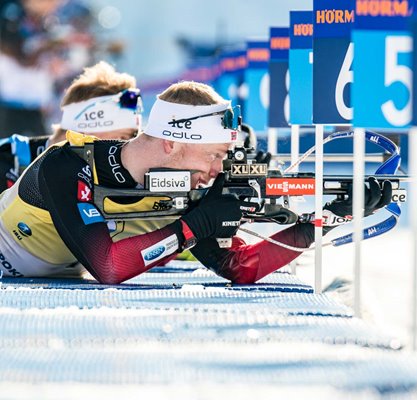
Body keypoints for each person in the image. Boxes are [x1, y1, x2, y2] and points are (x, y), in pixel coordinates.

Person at [0, 80, 392, 284]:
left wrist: (323, 222)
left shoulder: (192, 185)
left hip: (57, 270)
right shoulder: (67, 164)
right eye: (214, 155)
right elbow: (109, 267)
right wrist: (195, 225)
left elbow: (242, 267)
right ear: (172, 144)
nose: (220, 169)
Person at [0, 61, 141, 191]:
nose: (124, 146)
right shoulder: (7, 159)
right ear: (85, 130)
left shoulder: (109, 180)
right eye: (122, 137)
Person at [0, 0, 67, 136]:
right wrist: (41, 50)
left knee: (41, 152)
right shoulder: (10, 10)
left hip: (37, 106)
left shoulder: (49, 21)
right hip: (10, 104)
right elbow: (16, 52)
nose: (56, 4)